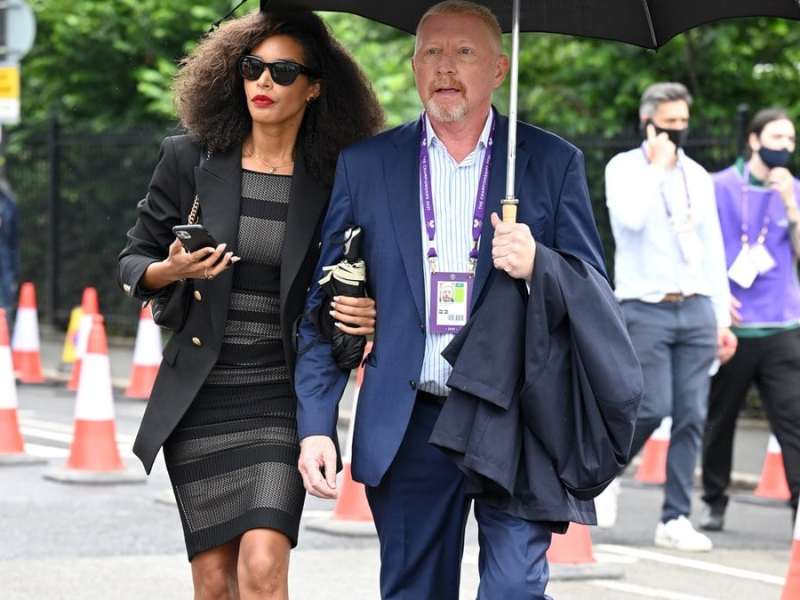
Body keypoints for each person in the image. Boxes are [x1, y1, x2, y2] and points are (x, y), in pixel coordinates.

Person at [295, 2, 607, 597]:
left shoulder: (550, 163)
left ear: (498, 68)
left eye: (464, 52)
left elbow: (594, 295)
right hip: (412, 420)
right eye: (432, 51)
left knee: (515, 587)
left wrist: (539, 263)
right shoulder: (366, 166)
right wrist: (316, 426)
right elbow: (325, 302)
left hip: (516, 417)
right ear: (413, 66)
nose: (446, 66)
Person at [118, 10, 382, 599]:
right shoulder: (190, 159)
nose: (264, 82)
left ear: (315, 87)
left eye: (284, 71)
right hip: (203, 395)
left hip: (281, 393)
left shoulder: (338, 176)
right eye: (253, 67)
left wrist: (375, 314)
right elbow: (133, 262)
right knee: (213, 584)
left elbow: (366, 270)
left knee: (262, 567)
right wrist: (172, 269)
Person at [604, 82, 737, 551]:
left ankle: (675, 516)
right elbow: (630, 223)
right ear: (649, 122)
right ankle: (604, 474)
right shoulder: (624, 169)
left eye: (684, 123)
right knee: (651, 405)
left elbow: (713, 247)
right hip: (646, 305)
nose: (678, 132)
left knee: (692, 414)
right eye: (670, 123)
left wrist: (720, 314)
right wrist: (657, 172)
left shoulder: (697, 175)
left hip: (696, 304)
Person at [701, 108, 800, 531]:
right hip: (734, 324)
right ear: (755, 140)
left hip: (782, 324)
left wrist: (792, 209)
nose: (786, 147)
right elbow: (702, 248)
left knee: (793, 418)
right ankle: (715, 501)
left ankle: (799, 508)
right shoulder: (719, 186)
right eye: (777, 137)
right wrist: (717, 301)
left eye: (792, 140)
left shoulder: (793, 189)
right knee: (721, 418)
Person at [0, 181, 18, 324]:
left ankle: (6, 326)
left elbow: (13, 240)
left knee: (6, 292)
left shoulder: (8, 202)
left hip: (5, 256)